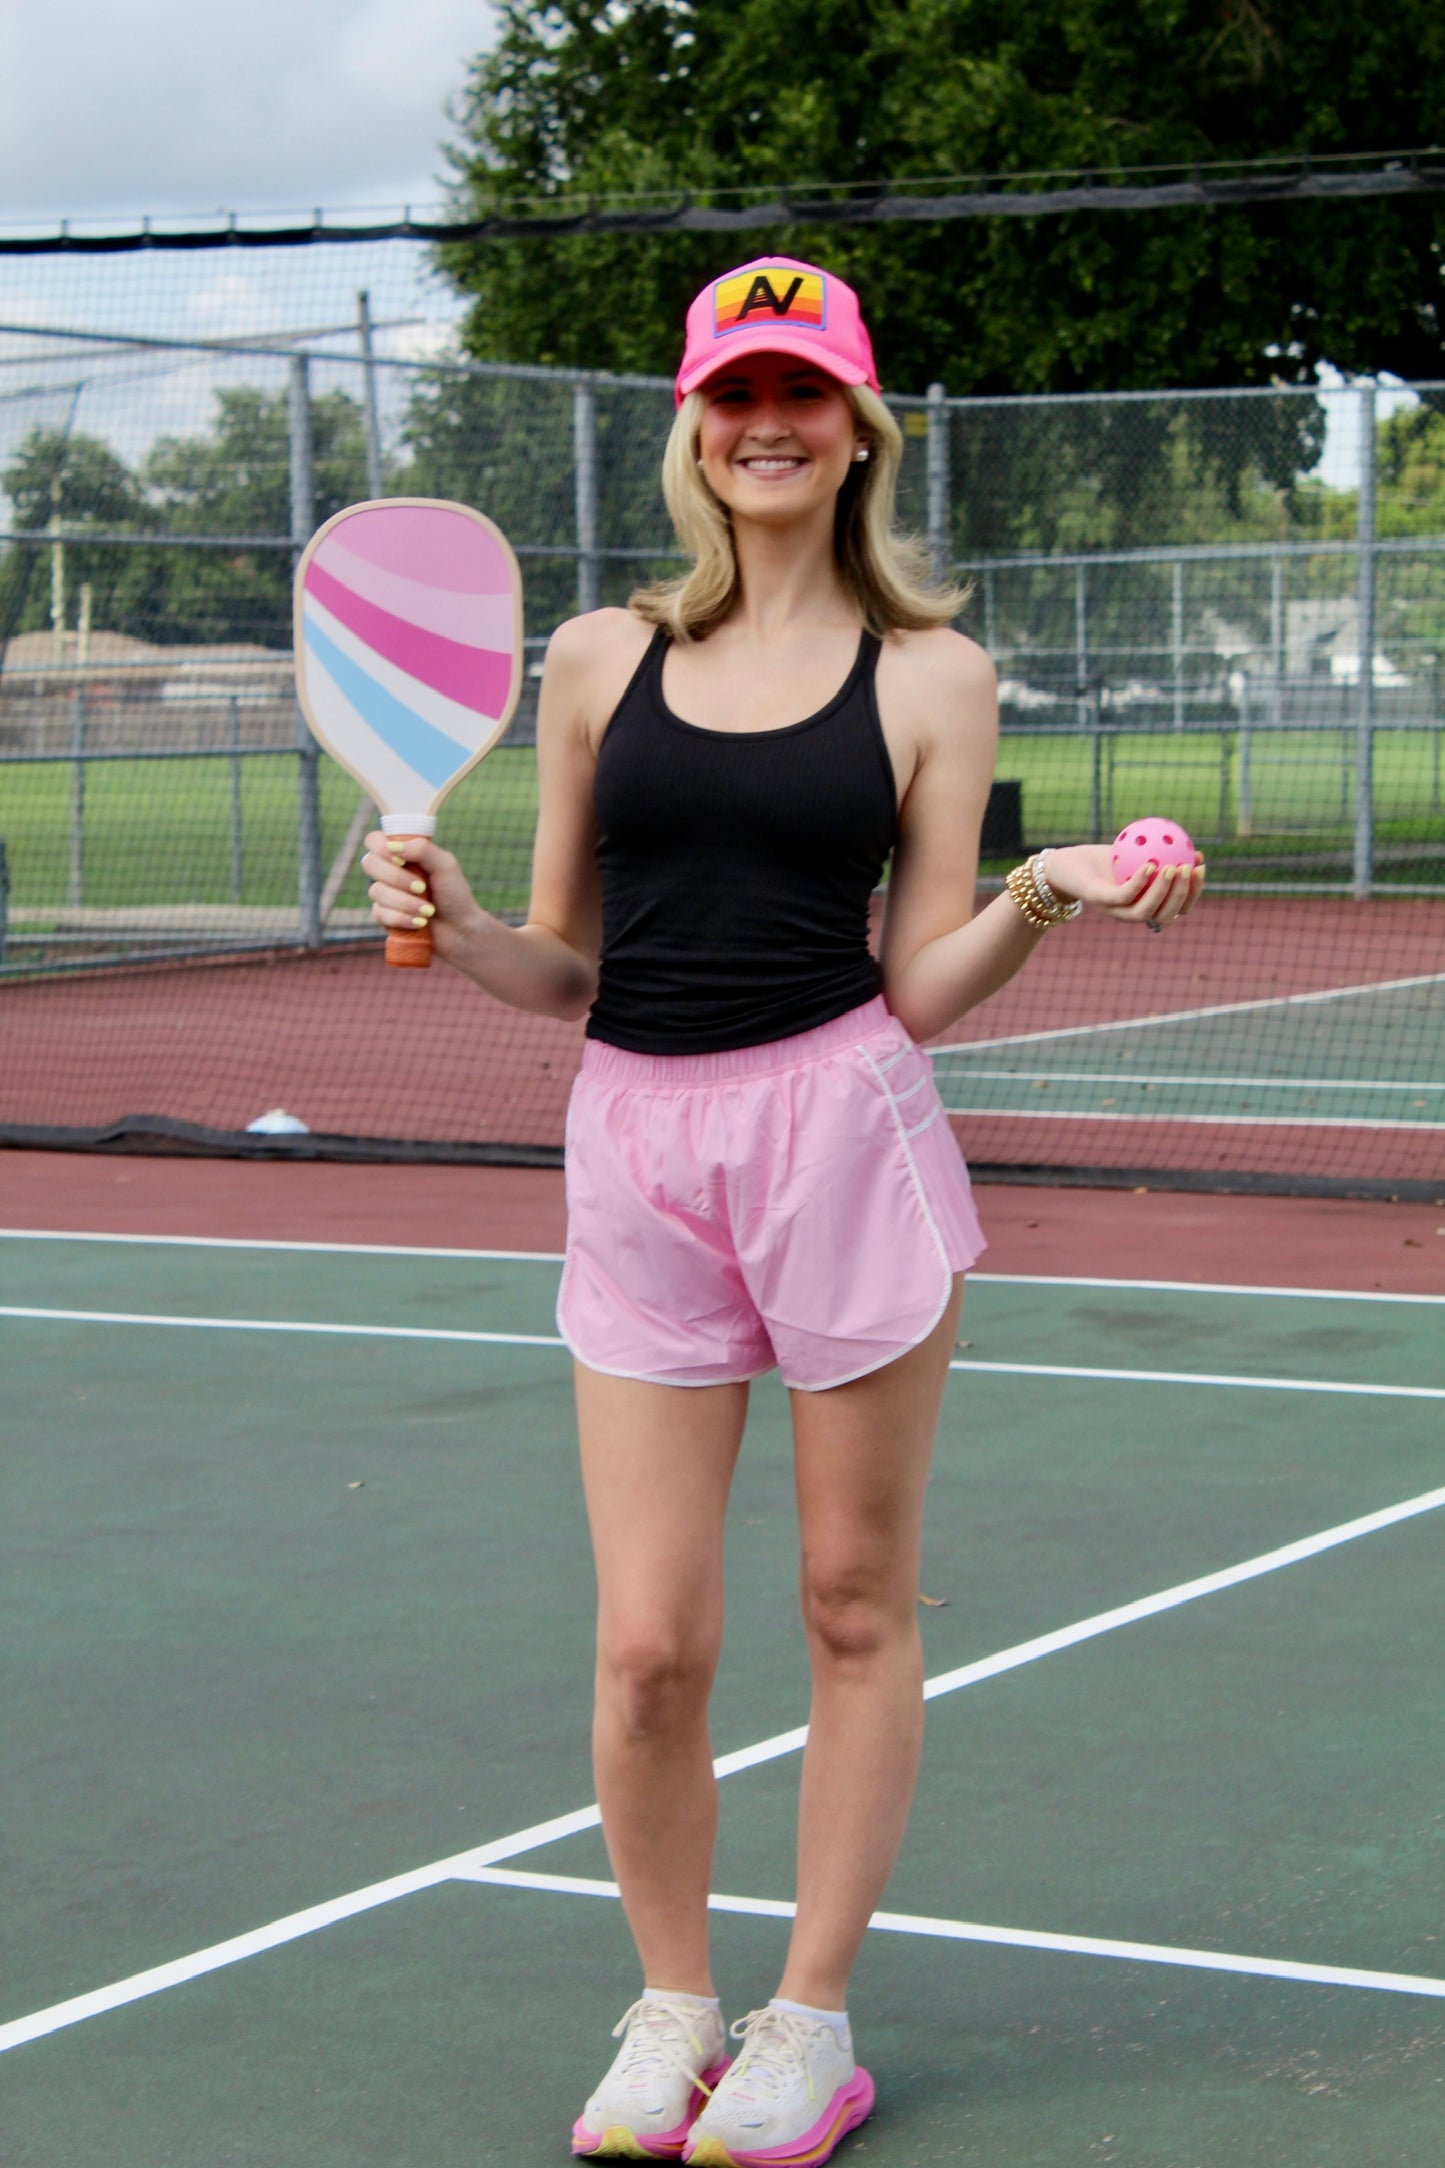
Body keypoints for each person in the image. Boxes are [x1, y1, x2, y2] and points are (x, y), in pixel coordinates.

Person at [362, 256, 1205, 2168]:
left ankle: (805, 2023)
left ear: (856, 427)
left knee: (847, 1601)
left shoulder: (934, 673)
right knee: (650, 1641)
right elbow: (564, 963)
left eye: (801, 392)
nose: (766, 423)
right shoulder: (597, 658)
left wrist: (1046, 887)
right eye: (734, 393)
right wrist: (464, 919)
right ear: (691, 426)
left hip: (844, 1129)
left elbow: (910, 983)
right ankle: (672, 2011)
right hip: (634, 1140)